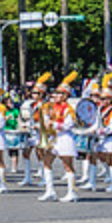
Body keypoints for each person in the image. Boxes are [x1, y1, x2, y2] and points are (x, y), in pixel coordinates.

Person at [38, 71, 79, 203]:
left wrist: (53, 124)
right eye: (55, 93)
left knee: (67, 165)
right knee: (46, 161)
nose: (55, 96)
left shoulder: (68, 109)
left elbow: (69, 125)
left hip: (65, 138)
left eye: (59, 93)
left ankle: (71, 192)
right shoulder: (52, 107)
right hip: (54, 138)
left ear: (65, 96)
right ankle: (50, 191)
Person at [93, 73, 112, 192]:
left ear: (110, 99)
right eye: (101, 99)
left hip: (110, 137)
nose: (102, 101)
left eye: (104, 99)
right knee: (100, 156)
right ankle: (109, 175)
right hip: (101, 137)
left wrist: (103, 130)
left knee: (110, 160)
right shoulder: (100, 109)